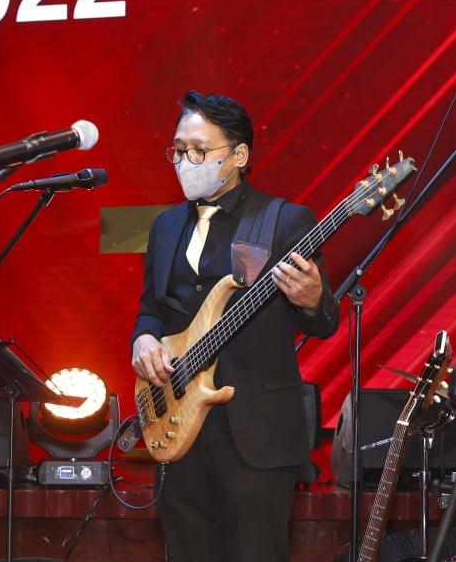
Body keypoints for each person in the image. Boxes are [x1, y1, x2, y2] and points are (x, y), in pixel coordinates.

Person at [130, 91, 340, 562]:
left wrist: (313, 301)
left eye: (200, 151)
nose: (186, 161)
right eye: (179, 150)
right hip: (178, 427)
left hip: (255, 435)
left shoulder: (283, 220)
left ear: (239, 156)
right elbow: (151, 311)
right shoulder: (163, 226)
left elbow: (326, 322)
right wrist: (142, 340)